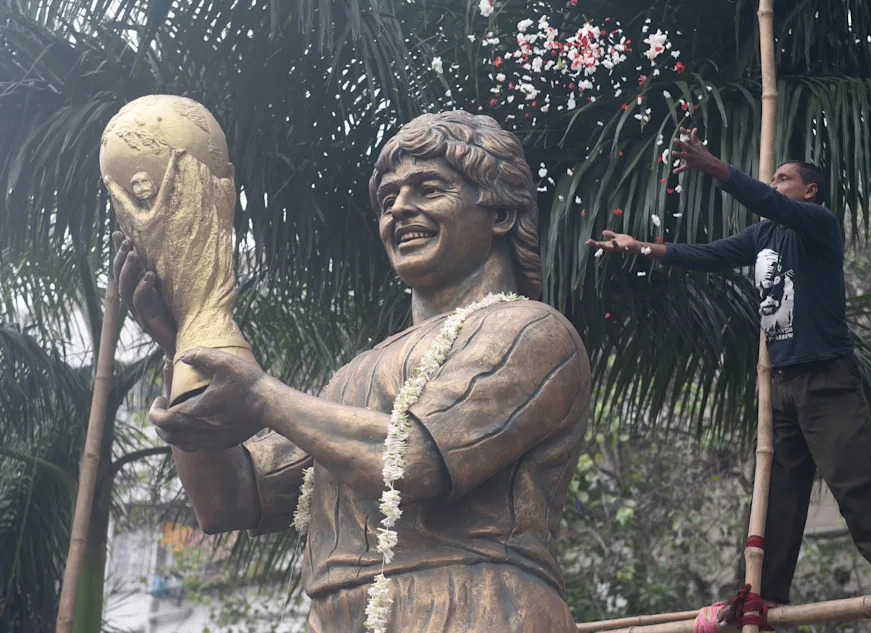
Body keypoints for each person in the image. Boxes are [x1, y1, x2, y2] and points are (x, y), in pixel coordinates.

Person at [114, 111, 591, 632]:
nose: (399, 209)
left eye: (429, 189)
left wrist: (261, 396)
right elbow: (230, 499)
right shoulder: (352, 376)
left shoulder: (530, 330)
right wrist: (186, 343)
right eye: (388, 200)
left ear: (499, 212)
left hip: (476, 608)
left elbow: (412, 461)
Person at [587, 127, 871, 605]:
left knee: (855, 477)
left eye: (784, 178)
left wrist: (714, 167)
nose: (774, 183)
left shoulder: (818, 223)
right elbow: (708, 255)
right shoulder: (762, 235)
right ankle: (767, 593)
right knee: (779, 495)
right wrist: (640, 247)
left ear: (809, 191)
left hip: (826, 377)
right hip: (782, 383)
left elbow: (769, 202)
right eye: (773, 177)